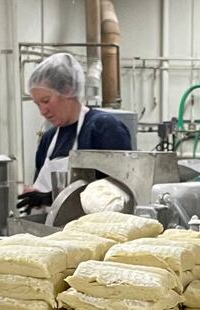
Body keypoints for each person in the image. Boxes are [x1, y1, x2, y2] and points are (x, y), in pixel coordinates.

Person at [16, 52, 133, 211]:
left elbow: (120, 190)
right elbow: (41, 190)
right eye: (38, 104)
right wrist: (34, 196)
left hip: (97, 230)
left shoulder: (103, 127)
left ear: (68, 90)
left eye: (46, 100)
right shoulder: (48, 139)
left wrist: (51, 197)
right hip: (55, 230)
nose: (42, 111)